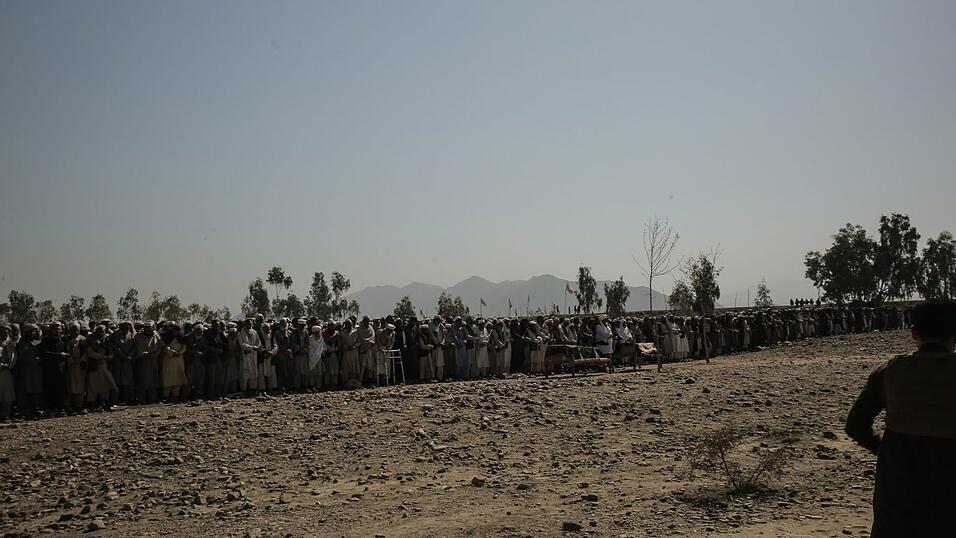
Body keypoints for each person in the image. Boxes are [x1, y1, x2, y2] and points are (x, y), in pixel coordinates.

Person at [845, 300, 956, 537]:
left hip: (899, 481)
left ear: (914, 332)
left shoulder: (890, 371)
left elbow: (855, 425)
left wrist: (883, 449)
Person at [160, 324, 188, 402]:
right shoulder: (166, 338)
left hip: (179, 360)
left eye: (177, 330)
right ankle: (166, 396)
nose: (176, 332)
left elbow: (184, 347)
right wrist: (172, 352)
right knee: (168, 378)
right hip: (168, 359)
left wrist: (179, 353)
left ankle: (175, 396)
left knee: (178, 378)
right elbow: (164, 347)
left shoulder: (182, 338)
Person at [238, 319, 262, 394]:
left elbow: (258, 342)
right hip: (245, 356)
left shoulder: (254, 332)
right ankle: (244, 390)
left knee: (253, 372)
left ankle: (253, 389)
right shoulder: (240, 333)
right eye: (247, 324)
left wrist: (257, 347)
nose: (249, 325)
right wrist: (252, 348)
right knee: (244, 373)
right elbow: (242, 344)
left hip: (253, 355)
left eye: (250, 324)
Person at [0, 325, 16, 420]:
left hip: (7, 372)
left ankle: (5, 414)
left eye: (6, 332)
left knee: (7, 395)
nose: (4, 334)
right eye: (2, 332)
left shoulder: (11, 344)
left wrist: (9, 366)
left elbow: (14, 358)